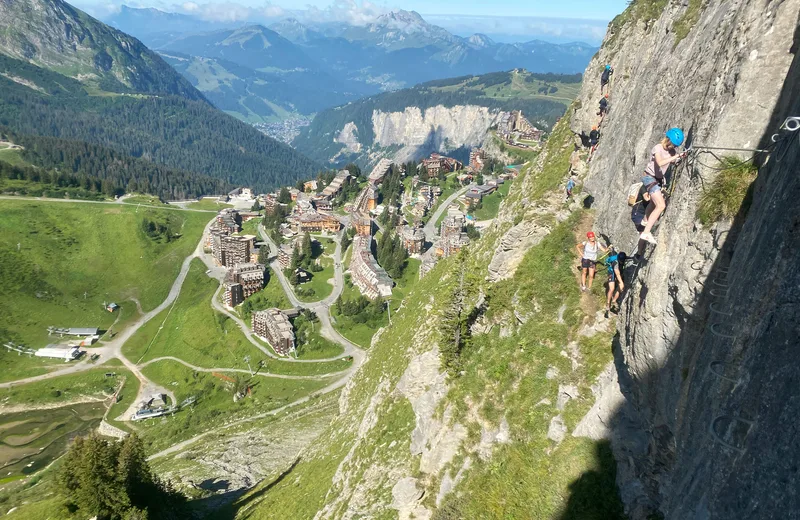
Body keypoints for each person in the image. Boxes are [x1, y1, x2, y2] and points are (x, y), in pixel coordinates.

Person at [639, 128, 687, 245]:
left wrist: (681, 157)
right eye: (672, 145)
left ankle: (645, 221)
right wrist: (676, 156)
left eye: (675, 146)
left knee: (653, 202)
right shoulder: (658, 148)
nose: (673, 148)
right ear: (668, 140)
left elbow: (674, 162)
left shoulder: (672, 152)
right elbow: (660, 162)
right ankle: (646, 232)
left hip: (658, 180)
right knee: (661, 205)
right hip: (649, 178)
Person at [630, 184, 650, 263]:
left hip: (644, 213)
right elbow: (646, 198)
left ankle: (639, 253)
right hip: (638, 214)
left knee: (644, 233)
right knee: (643, 234)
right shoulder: (644, 187)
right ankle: (638, 254)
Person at [605, 249, 625, 315]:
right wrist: (621, 282)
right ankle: (608, 304)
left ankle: (614, 300)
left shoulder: (623, 257)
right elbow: (617, 273)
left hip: (618, 272)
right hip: (611, 272)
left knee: (621, 287)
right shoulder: (615, 262)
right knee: (612, 288)